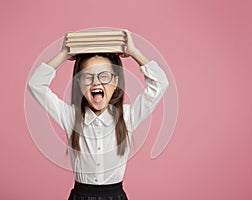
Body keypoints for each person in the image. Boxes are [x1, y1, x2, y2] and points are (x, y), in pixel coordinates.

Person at [28, 29, 169, 200]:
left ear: (116, 81)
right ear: (79, 83)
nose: (96, 82)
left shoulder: (127, 116)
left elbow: (160, 84)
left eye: (104, 76)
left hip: (115, 196)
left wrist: (134, 52)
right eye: (88, 77)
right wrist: (64, 54)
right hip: (81, 196)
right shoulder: (71, 117)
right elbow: (36, 84)